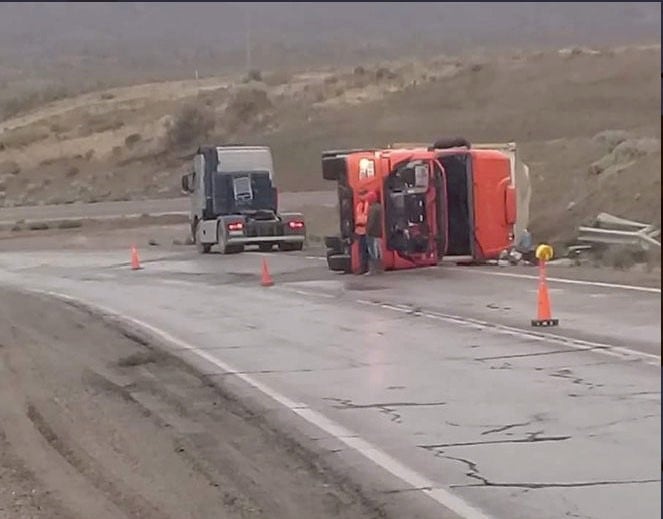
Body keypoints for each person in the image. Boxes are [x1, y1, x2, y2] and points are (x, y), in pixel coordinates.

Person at [365, 191, 382, 274]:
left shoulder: (372, 209)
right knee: (378, 251)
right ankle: (379, 268)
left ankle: (373, 270)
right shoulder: (380, 207)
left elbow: (370, 221)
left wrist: (367, 230)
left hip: (372, 233)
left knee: (372, 252)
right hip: (379, 233)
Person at [354, 190, 370, 274]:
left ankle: (366, 267)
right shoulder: (359, 205)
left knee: (366, 250)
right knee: (361, 250)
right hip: (359, 231)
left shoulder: (368, 205)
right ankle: (362, 267)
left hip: (366, 231)